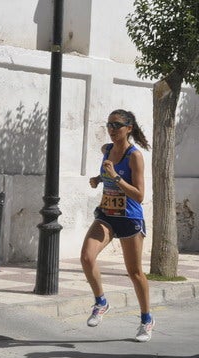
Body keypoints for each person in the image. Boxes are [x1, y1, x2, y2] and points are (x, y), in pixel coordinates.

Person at [80, 109, 155, 342]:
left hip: (129, 218)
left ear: (129, 128)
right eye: (109, 125)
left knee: (135, 273)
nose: (112, 130)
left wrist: (115, 177)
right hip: (107, 215)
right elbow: (108, 175)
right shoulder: (107, 150)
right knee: (86, 256)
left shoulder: (135, 156)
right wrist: (98, 178)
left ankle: (146, 319)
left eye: (117, 125)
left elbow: (140, 195)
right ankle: (101, 301)